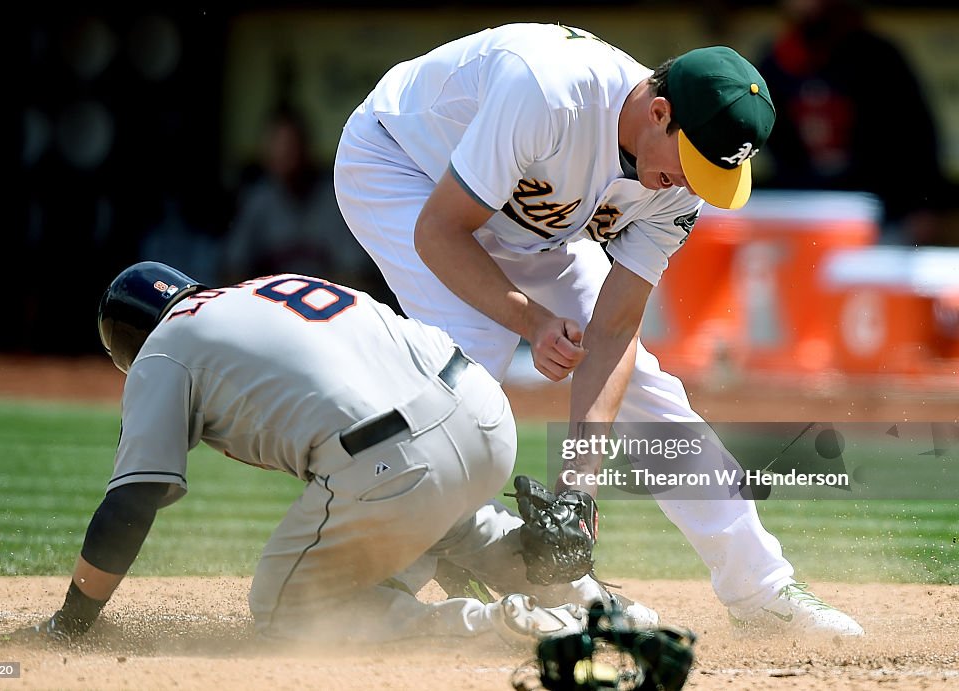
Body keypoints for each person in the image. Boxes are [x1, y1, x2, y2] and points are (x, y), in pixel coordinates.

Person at [334, 22, 863, 637]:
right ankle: (370, 584)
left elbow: (612, 332)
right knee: (470, 366)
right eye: (692, 165)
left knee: (644, 383)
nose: (693, 186)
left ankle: (762, 591)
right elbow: (439, 232)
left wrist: (576, 492)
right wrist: (530, 320)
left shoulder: (674, 188)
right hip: (402, 167)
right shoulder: (551, 95)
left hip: (523, 222)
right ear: (658, 112)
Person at [9, 261, 634, 646]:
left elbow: (132, 500)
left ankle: (489, 625)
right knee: (443, 520)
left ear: (128, 347)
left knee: (283, 609)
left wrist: (74, 621)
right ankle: (605, 606)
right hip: (485, 412)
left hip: (400, 459)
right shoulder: (262, 289)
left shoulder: (163, 349)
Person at [757, 0, 957, 245]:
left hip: (881, 212)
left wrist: (924, 206)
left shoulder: (877, 56)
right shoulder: (776, 63)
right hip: (809, 214)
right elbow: (776, 145)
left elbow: (918, 137)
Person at [221, 106, 395, 303]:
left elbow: (357, 277)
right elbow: (232, 273)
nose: (283, 154)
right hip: (269, 311)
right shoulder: (258, 200)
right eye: (276, 145)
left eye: (290, 145)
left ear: (306, 147)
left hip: (326, 311)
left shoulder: (336, 197)